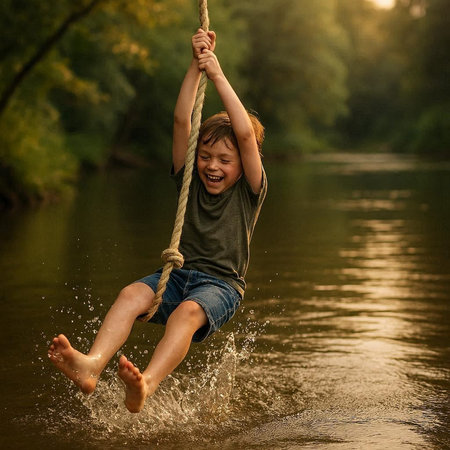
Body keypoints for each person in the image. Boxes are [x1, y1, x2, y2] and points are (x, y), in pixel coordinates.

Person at [48, 29, 267, 413]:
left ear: (241, 164)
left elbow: (246, 136)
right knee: (131, 294)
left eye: (223, 160)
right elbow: (183, 121)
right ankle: (91, 365)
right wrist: (194, 64)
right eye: (206, 156)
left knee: (184, 314)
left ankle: (146, 384)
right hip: (179, 275)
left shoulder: (249, 190)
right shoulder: (190, 181)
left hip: (221, 285)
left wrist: (216, 74)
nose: (212, 166)